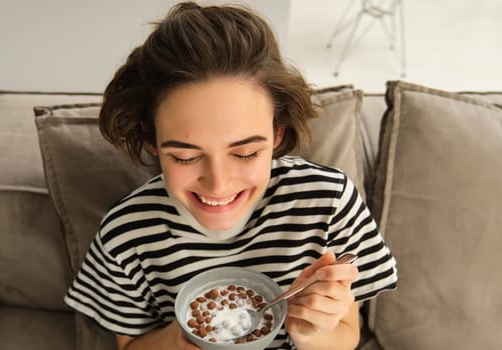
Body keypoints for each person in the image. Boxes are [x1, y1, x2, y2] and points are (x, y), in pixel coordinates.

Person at [64, 2, 397, 349]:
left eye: (246, 153)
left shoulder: (328, 203)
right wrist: (186, 337)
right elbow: (130, 346)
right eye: (185, 156)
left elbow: (348, 336)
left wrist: (312, 330)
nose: (219, 185)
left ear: (277, 133)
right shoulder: (127, 233)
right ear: (151, 141)